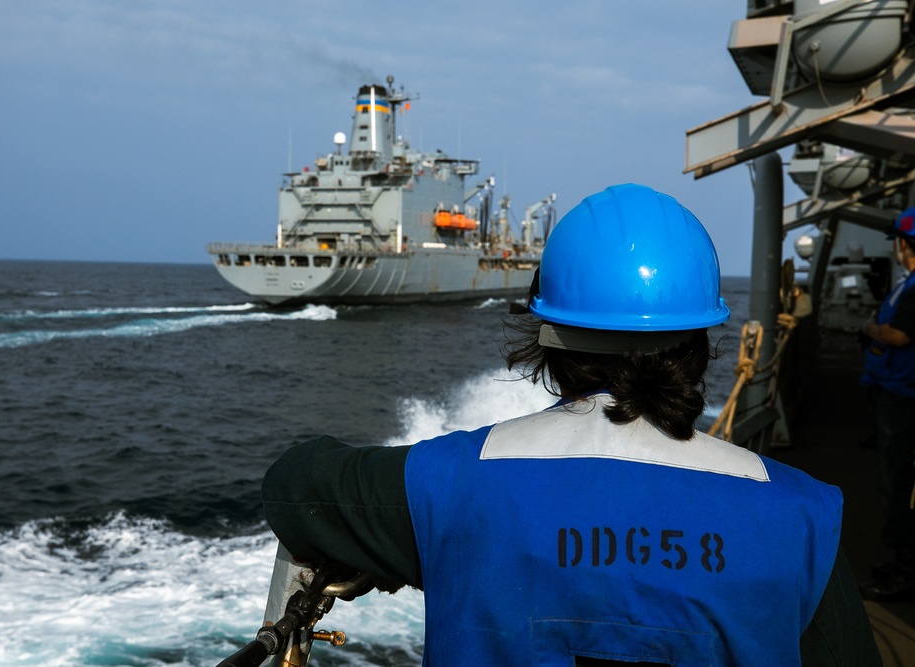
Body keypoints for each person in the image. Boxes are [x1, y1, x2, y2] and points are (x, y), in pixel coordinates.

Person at [262, 184, 880, 665]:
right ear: (700, 346)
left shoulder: (447, 486)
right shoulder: (805, 518)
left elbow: (295, 486)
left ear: (549, 341)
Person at [859, 207, 915, 601]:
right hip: (897, 391)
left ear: (904, 244)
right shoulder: (908, 284)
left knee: (899, 483)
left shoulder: (913, 289)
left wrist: (872, 329)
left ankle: (904, 571)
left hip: (904, 398)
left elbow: (899, 336)